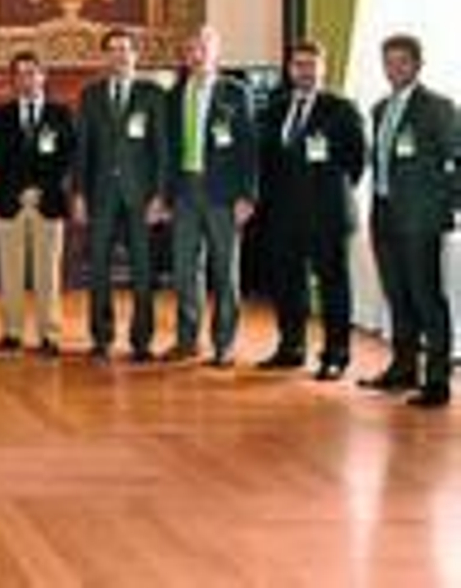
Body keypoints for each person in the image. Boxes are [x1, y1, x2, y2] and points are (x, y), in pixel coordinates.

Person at [256, 39, 366, 380]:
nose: (304, 71)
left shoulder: (342, 109)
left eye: (310, 65)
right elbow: (267, 161)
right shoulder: (275, 108)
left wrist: (330, 196)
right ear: (290, 70)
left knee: (333, 286)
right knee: (288, 285)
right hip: (283, 216)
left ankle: (336, 355)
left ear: (323, 69)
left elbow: (357, 162)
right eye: (298, 65)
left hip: (328, 216)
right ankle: (291, 348)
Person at [361, 34, 461, 408]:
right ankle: (403, 369)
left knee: (426, 297)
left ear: (418, 64)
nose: (393, 68)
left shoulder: (439, 107)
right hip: (385, 214)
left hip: (421, 219)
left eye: (402, 61)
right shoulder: (380, 108)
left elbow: (457, 160)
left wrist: (448, 207)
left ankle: (437, 381)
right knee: (397, 295)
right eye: (388, 61)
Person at [163, 26, 258, 367]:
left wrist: (248, 195)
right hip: (185, 190)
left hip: (224, 193)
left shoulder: (236, 92)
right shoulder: (174, 95)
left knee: (225, 270)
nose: (196, 53)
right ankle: (187, 341)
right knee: (185, 270)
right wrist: (164, 194)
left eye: (202, 46)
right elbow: (167, 151)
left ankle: (224, 344)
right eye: (190, 47)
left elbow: (249, 148)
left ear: (216, 51)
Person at [74, 28, 169, 363]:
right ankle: (101, 338)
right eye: (112, 50)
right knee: (98, 269)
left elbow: (162, 150)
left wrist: (160, 196)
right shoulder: (91, 95)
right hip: (100, 196)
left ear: (135, 55)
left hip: (142, 198)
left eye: (125, 49)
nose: (119, 55)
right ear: (105, 56)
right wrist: (79, 195)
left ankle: (142, 341)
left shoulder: (153, 94)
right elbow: (82, 150)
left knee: (143, 271)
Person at [0, 51, 74, 355]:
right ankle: (12, 332)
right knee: (10, 272)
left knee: (48, 273)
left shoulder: (60, 115)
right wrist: (22, 190)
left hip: (49, 202)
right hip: (10, 202)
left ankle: (50, 334)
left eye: (33, 72)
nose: (27, 79)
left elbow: (66, 159)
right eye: (20, 73)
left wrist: (40, 189)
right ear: (13, 80)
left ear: (43, 76)